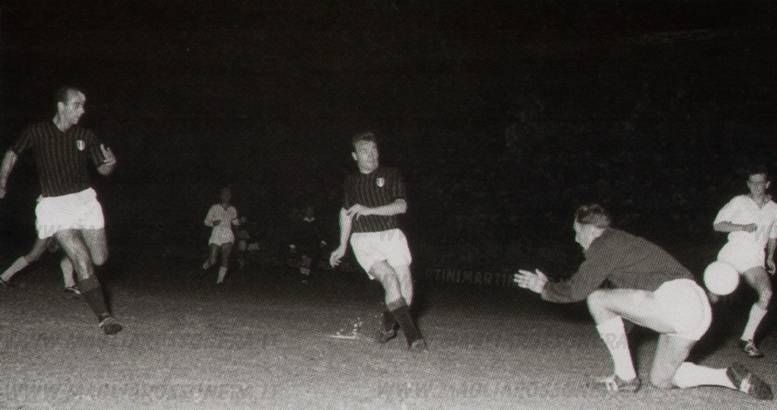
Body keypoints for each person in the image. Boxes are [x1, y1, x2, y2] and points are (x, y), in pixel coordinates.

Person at [514, 204, 772, 400]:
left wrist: (544, 287)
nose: (575, 238)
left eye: (577, 231)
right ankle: (727, 376)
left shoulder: (604, 244)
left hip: (677, 299)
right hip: (696, 307)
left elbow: (578, 290)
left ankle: (625, 377)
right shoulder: (621, 245)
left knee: (597, 298)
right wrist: (619, 334)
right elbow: (629, 310)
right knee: (662, 379)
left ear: (591, 230)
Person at [0, 86, 122, 335]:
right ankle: (105, 317)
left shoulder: (86, 135)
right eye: (77, 105)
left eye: (83, 105)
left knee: (99, 258)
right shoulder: (37, 131)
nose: (82, 110)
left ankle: (79, 270)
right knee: (81, 260)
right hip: (55, 205)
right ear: (61, 106)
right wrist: (2, 181)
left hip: (84, 202)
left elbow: (103, 170)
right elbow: (12, 154)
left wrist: (111, 164)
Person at [329, 131, 426, 351]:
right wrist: (342, 245)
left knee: (405, 285)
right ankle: (414, 339)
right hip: (364, 240)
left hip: (392, 235)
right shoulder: (351, 181)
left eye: (374, 149)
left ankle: (387, 324)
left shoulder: (391, 174)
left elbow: (401, 206)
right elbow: (345, 213)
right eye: (364, 151)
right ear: (355, 156)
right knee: (389, 278)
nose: (371, 155)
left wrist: (369, 210)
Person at [713, 166, 777, 358]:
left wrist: (770, 257)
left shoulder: (774, 209)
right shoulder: (739, 201)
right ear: (748, 184)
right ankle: (692, 326)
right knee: (714, 297)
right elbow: (718, 225)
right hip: (732, 254)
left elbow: (773, 235)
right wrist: (742, 227)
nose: (756, 186)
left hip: (754, 258)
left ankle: (747, 339)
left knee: (766, 293)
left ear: (767, 184)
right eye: (752, 183)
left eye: (760, 183)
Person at [0, 236, 80, 295]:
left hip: (54, 226)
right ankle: (70, 285)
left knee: (72, 253)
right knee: (34, 255)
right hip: (53, 226)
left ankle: (4, 277)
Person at [202, 186, 240, 284]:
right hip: (216, 233)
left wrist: (239, 225)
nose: (226, 196)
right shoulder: (214, 207)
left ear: (230, 196)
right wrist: (213, 223)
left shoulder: (233, 209)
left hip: (228, 234)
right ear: (221, 196)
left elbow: (235, 222)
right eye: (224, 194)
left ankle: (219, 281)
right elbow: (206, 222)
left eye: (228, 194)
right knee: (213, 260)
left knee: (225, 256)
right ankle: (207, 264)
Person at [289, 204, 327, 284]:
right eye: (308, 210)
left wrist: (323, 241)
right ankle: (303, 277)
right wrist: (292, 246)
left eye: (311, 210)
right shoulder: (300, 222)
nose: (310, 212)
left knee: (309, 261)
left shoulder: (316, 222)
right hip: (302, 244)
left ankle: (305, 277)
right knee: (304, 260)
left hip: (313, 245)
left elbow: (321, 232)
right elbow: (294, 233)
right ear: (305, 212)